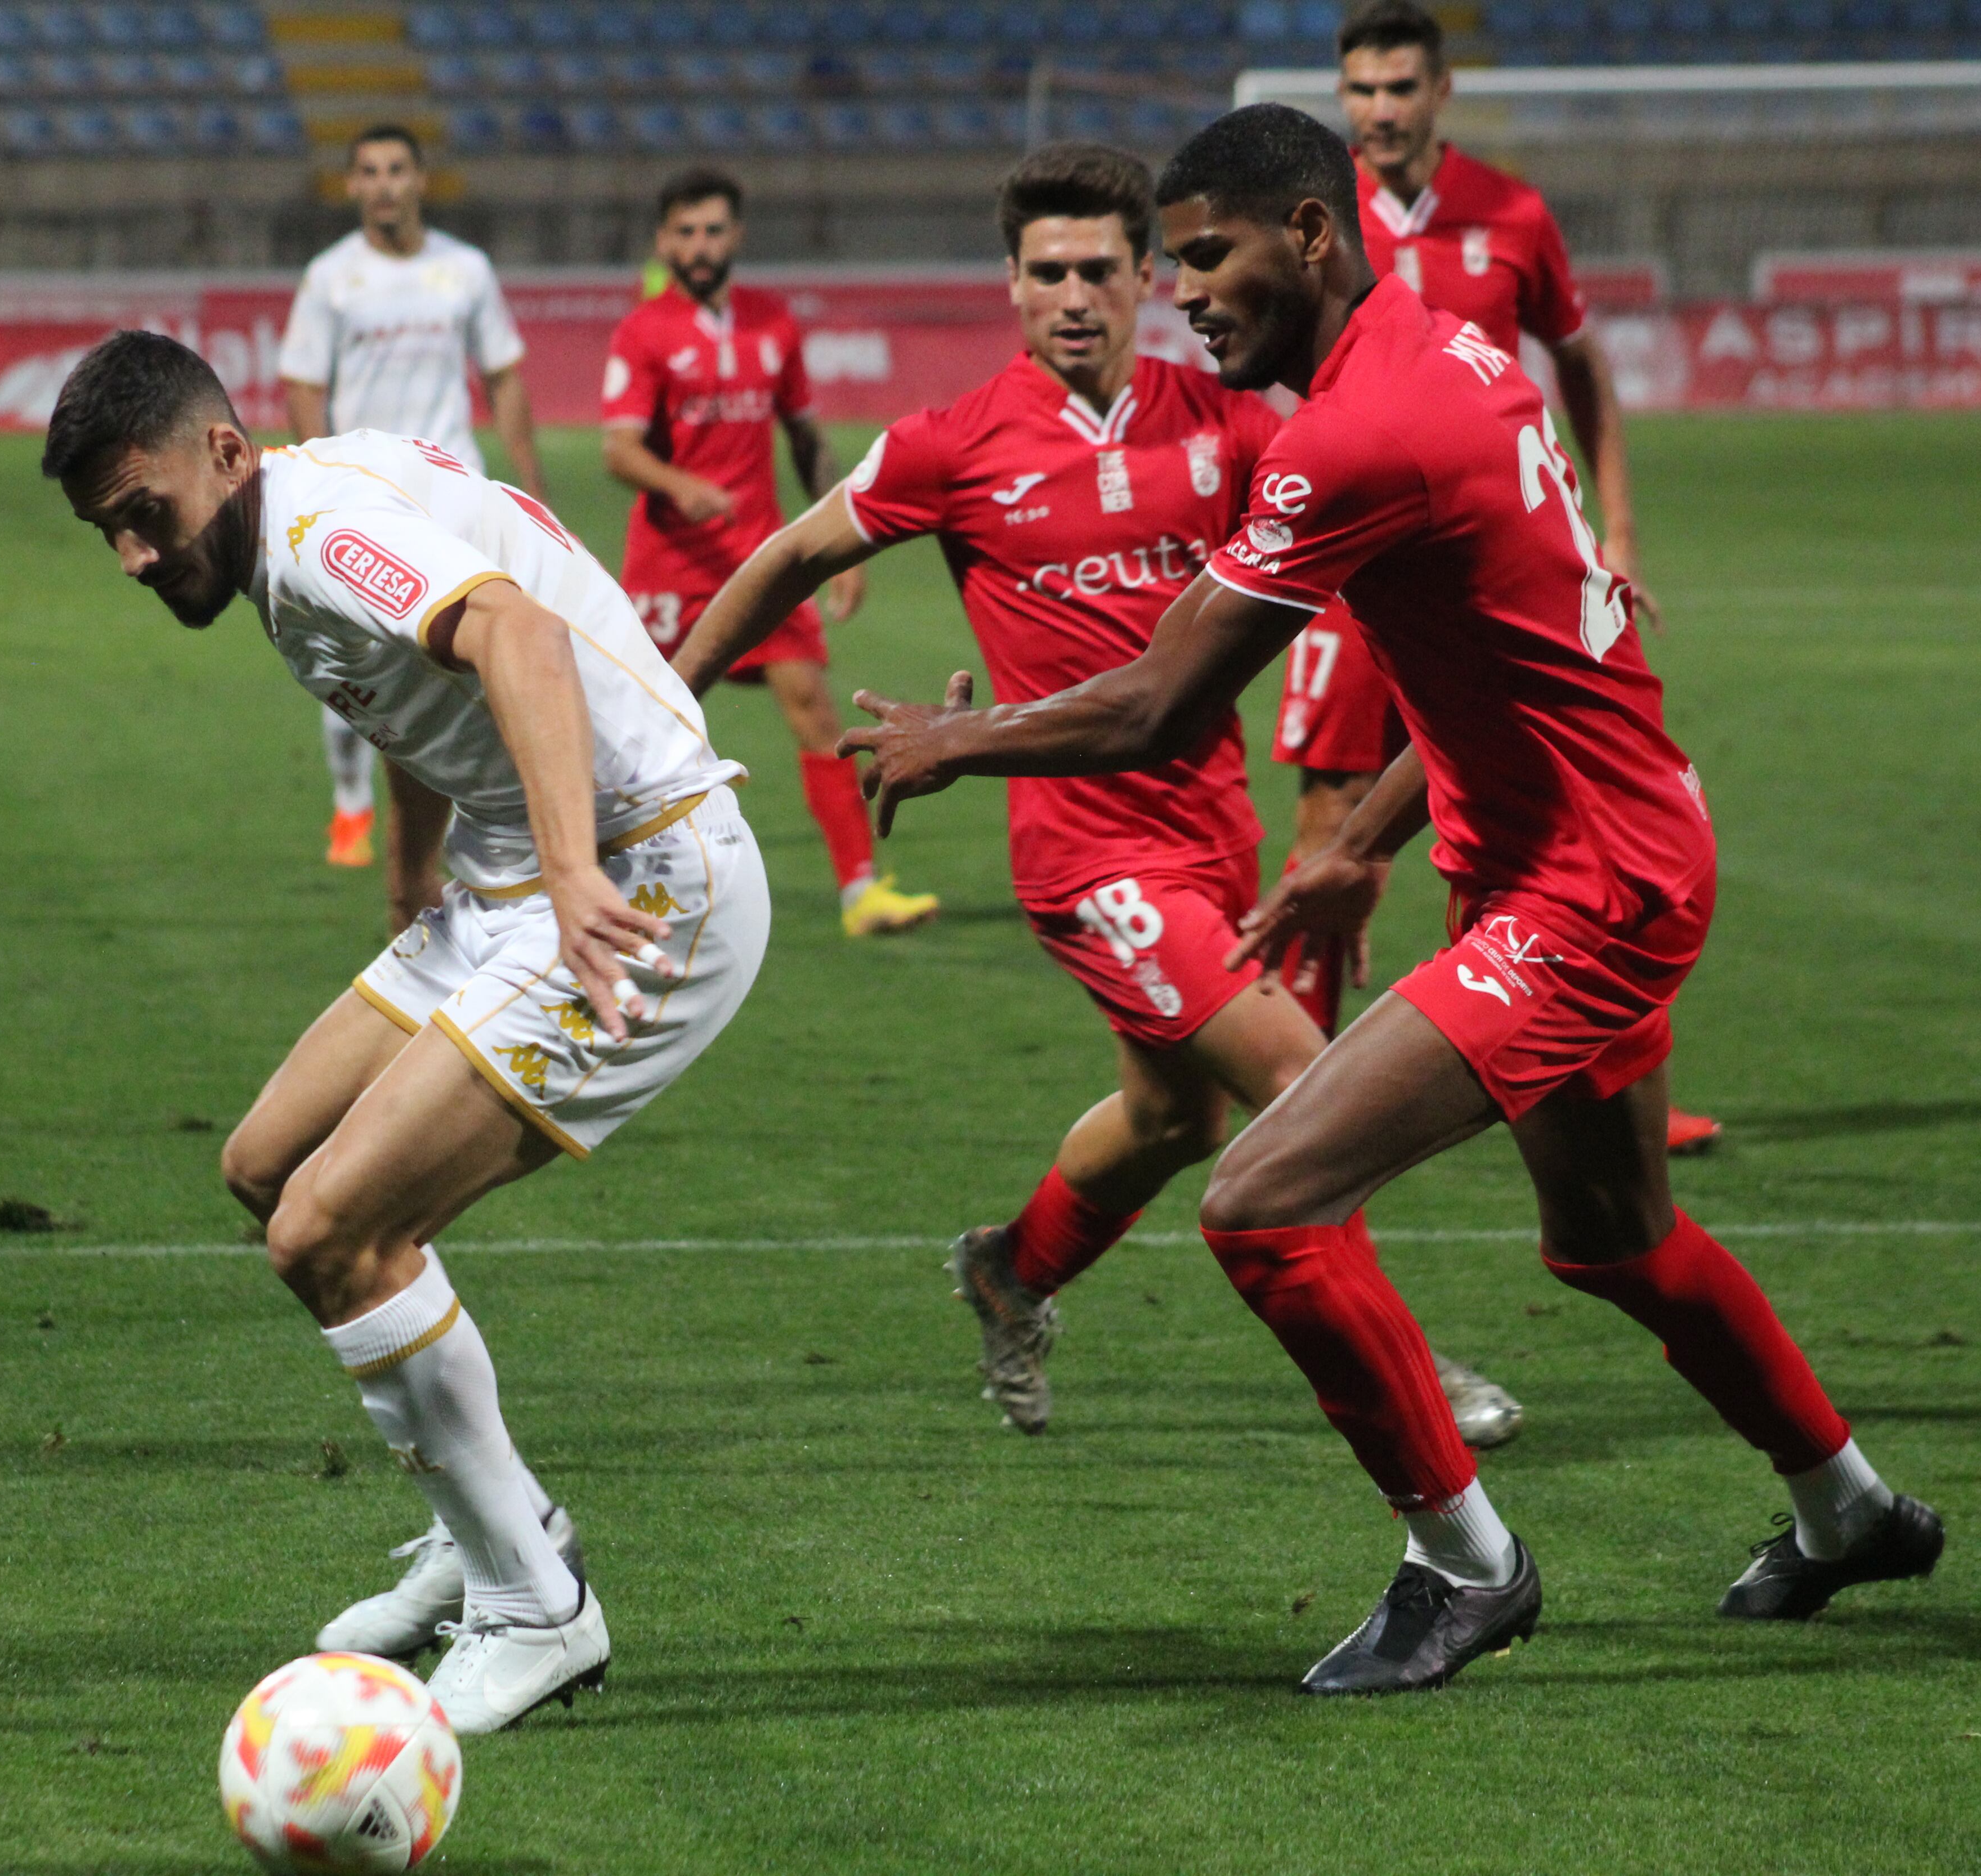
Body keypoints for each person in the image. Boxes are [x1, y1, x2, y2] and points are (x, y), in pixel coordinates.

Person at [837, 105, 1940, 1695]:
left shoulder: (1353, 432)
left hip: (1590, 885)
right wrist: (1358, 836)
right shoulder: (1449, 353)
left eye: (1208, 257)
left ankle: (1465, 1565)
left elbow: (1159, 701)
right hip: (1588, 843)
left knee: (1263, 1198)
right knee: (1615, 1240)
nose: (1189, 293)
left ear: (1308, 232)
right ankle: (1851, 1513)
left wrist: (961, 739)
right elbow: (1510, 650)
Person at [673, 145, 1518, 1450]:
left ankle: (1010, 1270)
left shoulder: (1233, 424)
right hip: (1085, 856)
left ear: (1147, 276)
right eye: (1045, 271)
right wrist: (668, 707)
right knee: (1308, 1083)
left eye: (1100, 270)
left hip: (1212, 833)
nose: (1074, 295)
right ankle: (1415, 1374)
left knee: (1174, 1117)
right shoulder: (954, 445)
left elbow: (1367, 563)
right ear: (1008, 286)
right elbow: (789, 551)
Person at [42, 330, 768, 1730]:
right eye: (106, 535)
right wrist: (408, 879)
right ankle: (497, 1521)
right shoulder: (281, 530)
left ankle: (534, 1608)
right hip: (502, 878)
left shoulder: (312, 537)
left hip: (643, 876)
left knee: (326, 1232)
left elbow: (516, 634)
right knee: (267, 1164)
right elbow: (418, 686)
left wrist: (569, 874)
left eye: (146, 517)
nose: (134, 558)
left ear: (227, 454)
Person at [1286, 0, 1721, 1156]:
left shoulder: (1513, 215)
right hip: (1355, 573)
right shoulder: (1316, 219)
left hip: (1490, 582)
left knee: (1574, 799)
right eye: (1360, 89)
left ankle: (1614, 1073)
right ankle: (1307, 1075)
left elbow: (1580, 370)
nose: (1377, 110)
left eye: (1398, 89)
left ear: (1439, 94)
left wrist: (1614, 534)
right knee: (1331, 818)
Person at [612, 169, 939, 939]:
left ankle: (862, 892)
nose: (701, 245)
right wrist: (679, 483)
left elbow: (807, 440)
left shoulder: (773, 324)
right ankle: (595, 877)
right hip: (670, 566)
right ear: (664, 241)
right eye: (686, 232)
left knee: (814, 709)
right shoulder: (644, 331)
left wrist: (850, 551)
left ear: (737, 236)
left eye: (714, 230)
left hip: (760, 559)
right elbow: (620, 451)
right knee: (641, 725)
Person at [278, 125, 545, 917]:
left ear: (421, 180)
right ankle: (353, 800)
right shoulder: (331, 278)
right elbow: (302, 383)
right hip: (364, 497)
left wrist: (527, 480)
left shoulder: (465, 270)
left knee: (464, 659)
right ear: (353, 187)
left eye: (398, 170)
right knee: (365, 663)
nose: (385, 185)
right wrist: (320, 475)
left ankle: (462, 818)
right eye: (370, 173)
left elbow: (503, 375)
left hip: (453, 492)